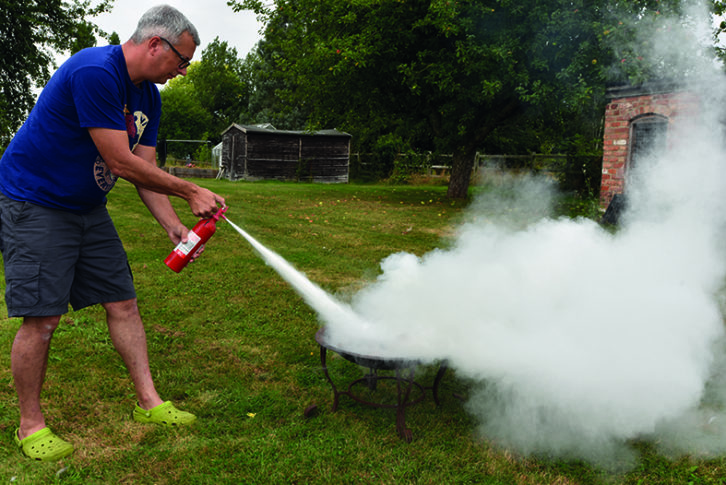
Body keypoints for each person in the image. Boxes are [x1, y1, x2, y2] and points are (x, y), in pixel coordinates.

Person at [0, 5, 225, 461]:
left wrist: (173, 226)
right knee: (43, 318)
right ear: (155, 44)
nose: (182, 70)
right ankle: (30, 427)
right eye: (181, 60)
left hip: (86, 205)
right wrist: (189, 191)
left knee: (123, 301)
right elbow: (121, 163)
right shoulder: (95, 72)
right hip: (35, 201)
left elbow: (144, 169)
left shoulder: (149, 96)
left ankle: (150, 403)